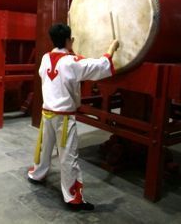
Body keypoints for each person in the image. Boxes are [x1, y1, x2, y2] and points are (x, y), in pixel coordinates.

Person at [27, 23, 120, 211]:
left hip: (47, 113)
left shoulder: (45, 59)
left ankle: (37, 174)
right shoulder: (72, 62)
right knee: (68, 156)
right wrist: (112, 48)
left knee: (44, 148)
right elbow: (101, 65)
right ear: (69, 40)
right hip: (64, 117)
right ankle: (72, 197)